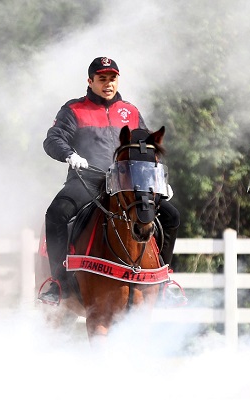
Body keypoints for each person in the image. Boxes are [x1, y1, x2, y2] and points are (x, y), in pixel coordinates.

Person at [39, 56, 180, 304]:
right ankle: (57, 283)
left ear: (117, 80)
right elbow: (52, 140)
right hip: (86, 180)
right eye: (102, 79)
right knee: (56, 213)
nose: (107, 84)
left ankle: (164, 279)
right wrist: (69, 155)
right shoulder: (73, 110)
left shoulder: (131, 111)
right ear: (90, 81)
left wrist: (157, 181)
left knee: (171, 217)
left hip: (126, 184)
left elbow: (146, 149)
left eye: (112, 78)